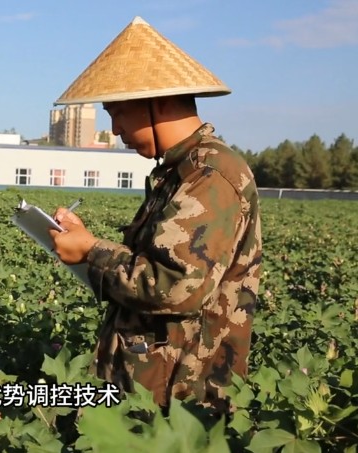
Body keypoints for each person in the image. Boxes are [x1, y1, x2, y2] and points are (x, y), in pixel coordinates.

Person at [47, 16, 262, 414]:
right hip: (156, 387)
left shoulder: (209, 175)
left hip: (182, 402)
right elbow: (154, 264)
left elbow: (175, 287)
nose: (115, 129)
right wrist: (85, 242)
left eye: (118, 113)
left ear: (158, 101)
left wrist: (92, 251)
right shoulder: (182, 171)